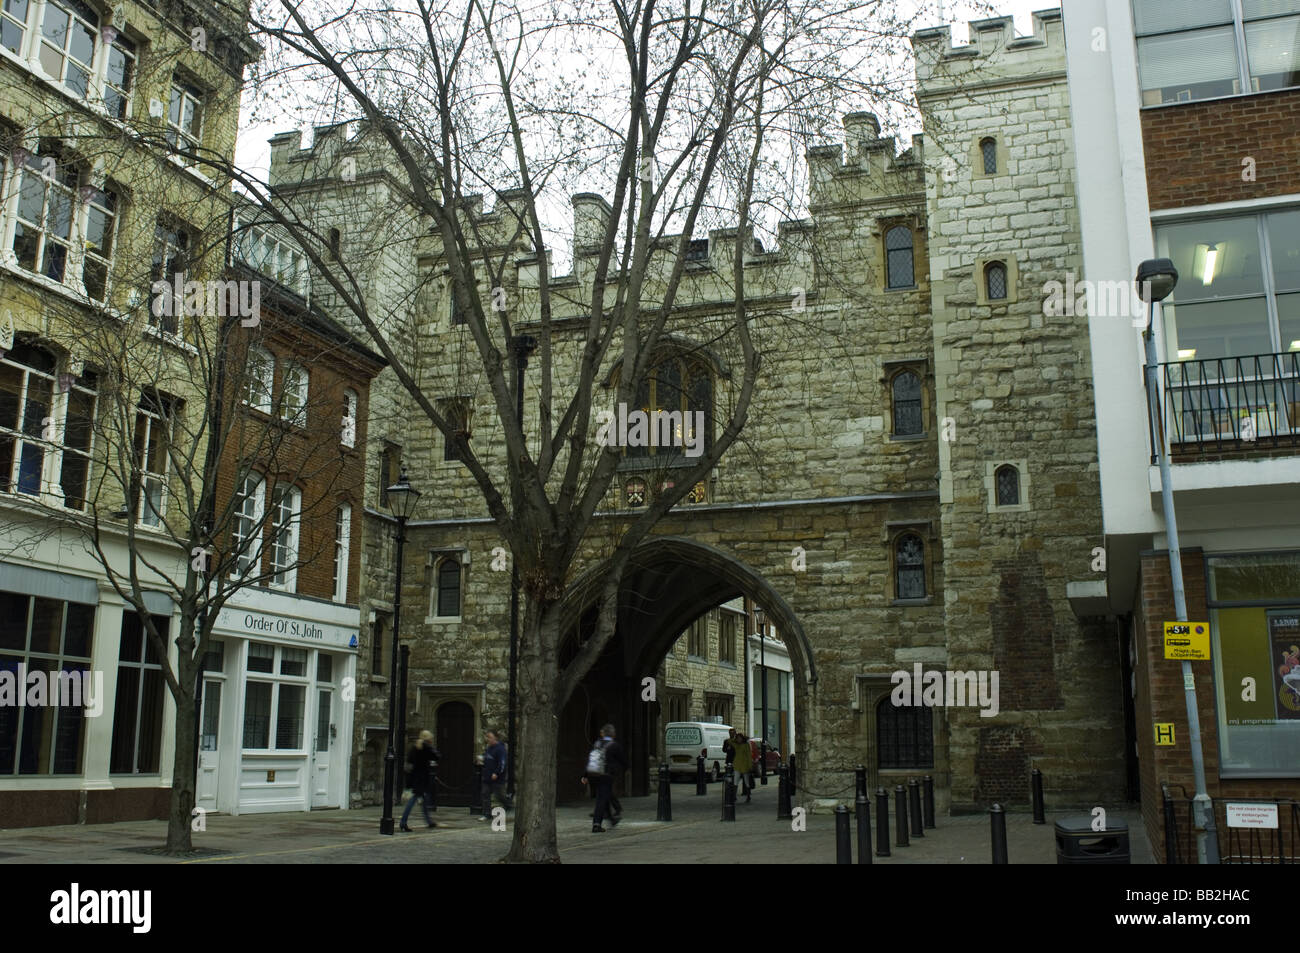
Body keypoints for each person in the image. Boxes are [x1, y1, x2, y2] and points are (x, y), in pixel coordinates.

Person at [581, 723, 627, 832]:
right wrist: (622, 771)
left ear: (603, 734)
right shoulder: (615, 746)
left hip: (593, 774)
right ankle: (596, 824)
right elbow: (623, 762)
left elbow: (591, 760)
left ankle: (611, 820)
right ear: (613, 734)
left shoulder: (597, 743)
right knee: (601, 800)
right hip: (606, 776)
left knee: (604, 796)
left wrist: (585, 775)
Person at [401, 729, 441, 831]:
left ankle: (429, 821)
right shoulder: (426, 746)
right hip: (422, 777)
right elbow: (437, 756)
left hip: (415, 776)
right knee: (414, 799)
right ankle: (403, 822)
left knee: (424, 800)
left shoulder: (415, 746)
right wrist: (431, 748)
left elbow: (409, 760)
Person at [478, 729, 512, 821]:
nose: (488, 739)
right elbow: (487, 759)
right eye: (487, 737)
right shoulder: (489, 748)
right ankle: (487, 814)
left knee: (499, 795)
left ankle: (508, 804)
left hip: (497, 778)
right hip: (487, 776)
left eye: (490, 737)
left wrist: (496, 773)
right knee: (485, 794)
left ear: (495, 738)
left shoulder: (500, 749)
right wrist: (482, 760)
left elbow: (502, 763)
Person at [732, 730, 753, 802]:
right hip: (737, 765)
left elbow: (749, 756)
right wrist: (733, 737)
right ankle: (734, 796)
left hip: (744, 765)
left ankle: (748, 796)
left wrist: (750, 765)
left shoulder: (746, 745)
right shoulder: (736, 745)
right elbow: (729, 741)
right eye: (737, 738)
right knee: (735, 781)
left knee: (746, 781)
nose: (739, 739)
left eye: (740, 738)